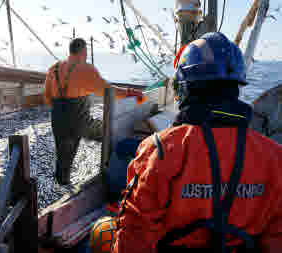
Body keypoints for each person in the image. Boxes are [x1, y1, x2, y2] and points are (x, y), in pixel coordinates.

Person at [111, 32, 282, 253]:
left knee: (102, 230)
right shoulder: (275, 157)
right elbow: (276, 236)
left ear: (185, 87)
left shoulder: (161, 149)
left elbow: (134, 235)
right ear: (236, 87)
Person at [44, 38, 144, 185]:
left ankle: (62, 183)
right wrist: (130, 92)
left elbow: (47, 97)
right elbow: (108, 91)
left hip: (57, 119)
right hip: (79, 121)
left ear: (70, 50)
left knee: (63, 155)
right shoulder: (85, 68)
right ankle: (113, 173)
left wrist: (62, 109)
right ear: (84, 52)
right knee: (108, 134)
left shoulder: (54, 68)